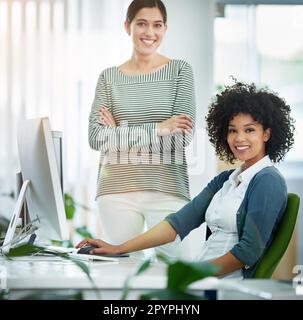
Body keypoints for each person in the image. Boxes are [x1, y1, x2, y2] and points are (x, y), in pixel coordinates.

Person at [80, 81, 295, 278]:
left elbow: (248, 252)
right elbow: (177, 224)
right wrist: (119, 248)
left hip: (226, 286)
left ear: (266, 134)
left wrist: (192, 275)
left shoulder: (267, 181)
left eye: (250, 130)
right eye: (232, 131)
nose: (239, 138)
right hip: (203, 279)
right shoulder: (225, 180)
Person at [88, 0, 196, 259]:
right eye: (142, 24)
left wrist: (119, 133)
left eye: (157, 25)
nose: (150, 33)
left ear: (165, 28)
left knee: (176, 272)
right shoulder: (109, 78)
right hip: (116, 190)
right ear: (128, 26)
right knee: (125, 274)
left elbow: (179, 140)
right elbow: (95, 137)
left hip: (168, 188)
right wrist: (159, 128)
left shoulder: (180, 71)